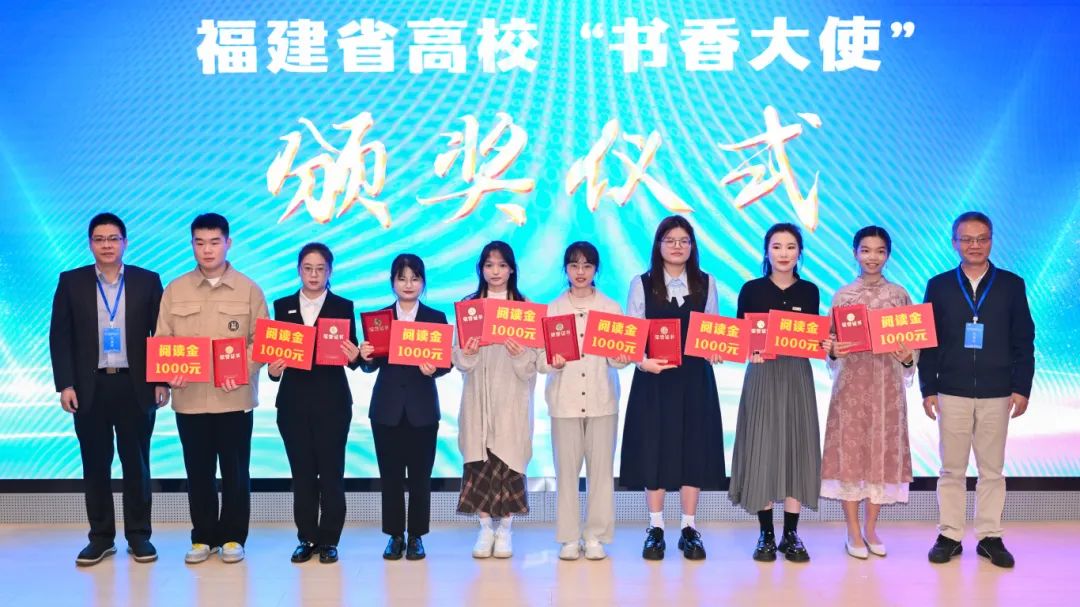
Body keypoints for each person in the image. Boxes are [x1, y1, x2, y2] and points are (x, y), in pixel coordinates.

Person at [49, 213, 167, 566]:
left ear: (125, 243)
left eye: (113, 238)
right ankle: (100, 538)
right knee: (95, 464)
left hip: (135, 385)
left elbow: (161, 334)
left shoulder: (147, 281)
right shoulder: (71, 282)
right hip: (90, 387)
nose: (106, 245)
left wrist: (161, 379)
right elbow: (60, 336)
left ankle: (139, 536)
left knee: (137, 464)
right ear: (90, 244)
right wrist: (65, 384)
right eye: (99, 239)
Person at [920, 211, 1034, 568]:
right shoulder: (938, 285)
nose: (974, 245)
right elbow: (928, 340)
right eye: (966, 239)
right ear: (954, 243)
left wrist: (1022, 387)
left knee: (992, 470)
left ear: (991, 241)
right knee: (951, 469)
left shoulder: (1011, 285)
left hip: (998, 391)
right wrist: (928, 387)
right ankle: (950, 535)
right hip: (951, 390)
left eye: (982, 238)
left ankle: (990, 537)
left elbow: (1024, 340)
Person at [156, 212, 268, 564]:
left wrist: (242, 369)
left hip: (233, 398)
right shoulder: (175, 290)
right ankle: (203, 536)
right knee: (198, 472)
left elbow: (261, 342)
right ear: (192, 245)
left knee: (235, 472)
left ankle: (234, 537)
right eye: (200, 242)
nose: (207, 250)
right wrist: (168, 372)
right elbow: (163, 339)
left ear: (228, 243)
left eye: (214, 242)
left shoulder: (249, 289)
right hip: (190, 398)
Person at [620, 215, 725, 561]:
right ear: (658, 245)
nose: (677, 247)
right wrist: (641, 361)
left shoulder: (707, 283)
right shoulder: (641, 283)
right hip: (655, 379)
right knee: (655, 449)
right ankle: (655, 527)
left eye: (684, 241)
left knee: (693, 449)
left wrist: (715, 350)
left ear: (692, 246)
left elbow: (712, 329)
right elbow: (632, 335)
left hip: (695, 380)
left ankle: (689, 528)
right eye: (670, 240)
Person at [820, 226, 915, 559]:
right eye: (865, 250)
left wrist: (908, 357)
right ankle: (852, 530)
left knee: (881, 455)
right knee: (850, 456)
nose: (872, 257)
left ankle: (871, 528)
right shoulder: (843, 296)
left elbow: (912, 347)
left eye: (879, 251)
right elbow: (830, 346)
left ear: (888, 255)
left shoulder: (899, 295)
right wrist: (833, 351)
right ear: (855, 253)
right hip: (851, 389)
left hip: (887, 389)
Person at [729, 222, 821, 563]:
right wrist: (748, 348)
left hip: (797, 376)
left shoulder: (809, 291)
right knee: (763, 448)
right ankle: (766, 534)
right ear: (767, 251)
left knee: (797, 448)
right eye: (777, 246)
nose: (784, 253)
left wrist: (824, 343)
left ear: (800, 253)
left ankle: (791, 534)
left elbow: (813, 336)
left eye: (791, 247)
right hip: (762, 375)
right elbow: (740, 336)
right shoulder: (751, 289)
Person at [268, 243, 361, 565]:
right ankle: (306, 537)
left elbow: (351, 356)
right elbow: (274, 358)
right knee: (303, 475)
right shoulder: (282, 306)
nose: (313, 274)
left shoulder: (342, 306)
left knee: (332, 474)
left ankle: (330, 540)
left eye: (320, 269)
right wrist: (273, 370)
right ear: (299, 270)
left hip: (333, 403)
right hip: (293, 404)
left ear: (329, 271)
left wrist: (355, 357)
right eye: (308, 268)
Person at [538, 242, 629, 561]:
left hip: (603, 400)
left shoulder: (611, 308)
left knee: (601, 473)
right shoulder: (551, 310)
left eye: (587, 266)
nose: (580, 272)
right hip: (564, 402)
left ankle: (595, 536)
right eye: (574, 265)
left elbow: (618, 359)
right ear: (565, 269)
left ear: (596, 270)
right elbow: (540, 361)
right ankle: (568, 537)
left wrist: (621, 357)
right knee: (566, 473)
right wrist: (553, 362)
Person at [359, 253, 452, 561]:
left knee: (421, 478)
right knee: (391, 478)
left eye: (415, 278)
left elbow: (445, 363)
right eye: (402, 278)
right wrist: (365, 356)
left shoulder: (435, 318)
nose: (408, 284)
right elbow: (369, 365)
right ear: (392, 283)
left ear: (423, 283)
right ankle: (395, 535)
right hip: (386, 409)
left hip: (422, 410)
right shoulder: (379, 318)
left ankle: (417, 537)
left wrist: (435, 369)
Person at [452, 241, 539, 559]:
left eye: (502, 265)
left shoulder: (525, 307)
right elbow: (458, 360)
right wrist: (468, 353)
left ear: (512, 269)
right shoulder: (469, 306)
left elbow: (533, 365)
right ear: (481, 269)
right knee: (479, 463)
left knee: (509, 464)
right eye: (489, 265)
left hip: (512, 401)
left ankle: (506, 530)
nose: (496, 271)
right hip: (477, 400)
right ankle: (485, 528)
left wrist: (519, 355)